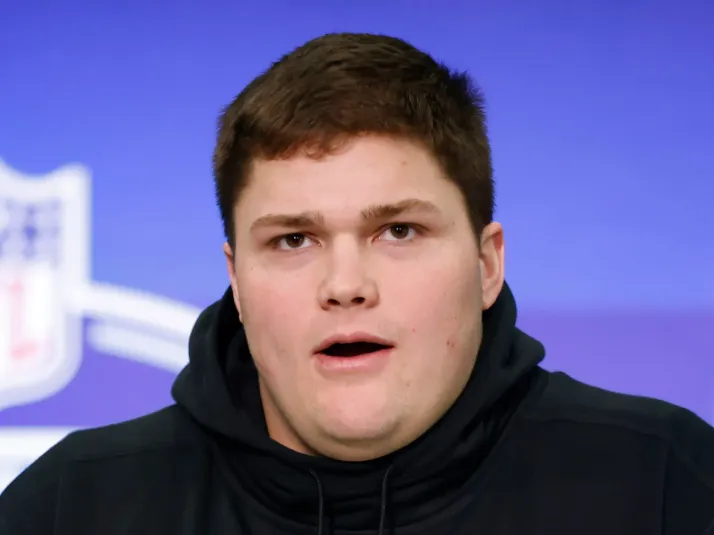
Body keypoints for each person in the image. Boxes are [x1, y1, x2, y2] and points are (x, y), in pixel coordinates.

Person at [1, 33, 713, 535]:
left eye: (398, 231)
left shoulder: (663, 481)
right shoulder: (73, 506)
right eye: (294, 239)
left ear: (487, 263)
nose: (345, 285)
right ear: (236, 282)